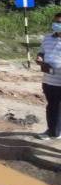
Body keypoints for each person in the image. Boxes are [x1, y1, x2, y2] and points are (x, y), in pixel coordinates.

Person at [36, 12, 61, 140]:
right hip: (48, 80)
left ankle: (55, 132)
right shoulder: (47, 38)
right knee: (52, 106)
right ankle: (53, 131)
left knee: (56, 107)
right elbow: (42, 52)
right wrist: (39, 58)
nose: (57, 25)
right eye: (56, 22)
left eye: (60, 23)